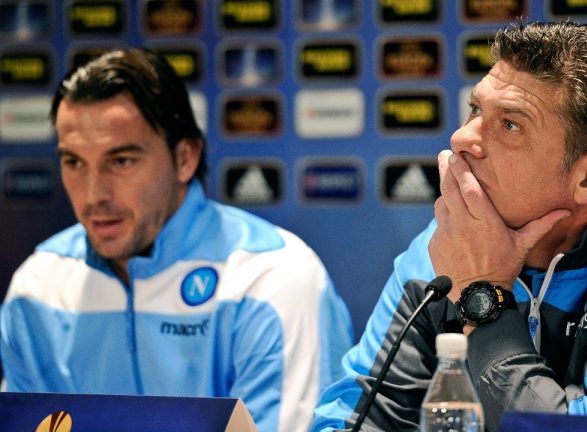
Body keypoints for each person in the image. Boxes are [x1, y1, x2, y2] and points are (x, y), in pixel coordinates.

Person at [312, 21, 587, 431]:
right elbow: (350, 421)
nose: (463, 139)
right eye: (476, 111)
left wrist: (483, 293)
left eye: (509, 125)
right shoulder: (446, 248)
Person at [0, 47, 353, 432]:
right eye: (74, 162)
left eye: (121, 161)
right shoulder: (37, 288)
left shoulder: (271, 279)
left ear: (185, 157)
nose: (92, 195)